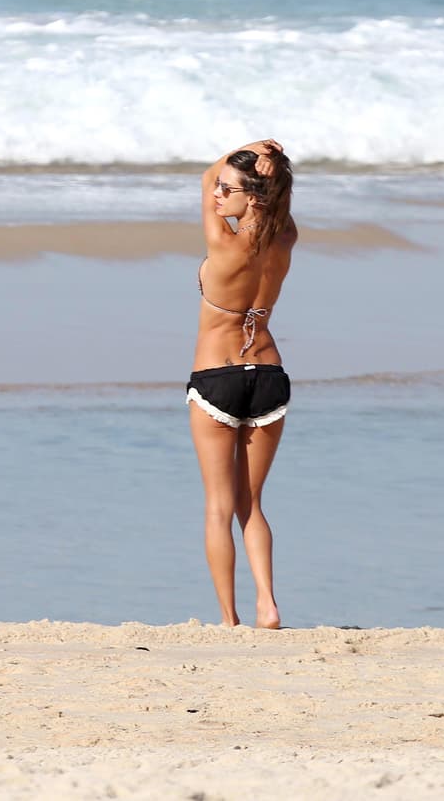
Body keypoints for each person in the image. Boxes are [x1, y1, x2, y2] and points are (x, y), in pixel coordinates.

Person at [186, 139, 296, 629]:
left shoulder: (222, 243)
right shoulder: (285, 239)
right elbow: (269, 198)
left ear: (251, 198)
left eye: (227, 191)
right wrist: (266, 168)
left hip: (217, 378)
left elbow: (204, 177)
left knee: (218, 507)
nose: (217, 196)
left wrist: (247, 148)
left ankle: (229, 620)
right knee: (252, 504)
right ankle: (268, 604)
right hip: (270, 376)